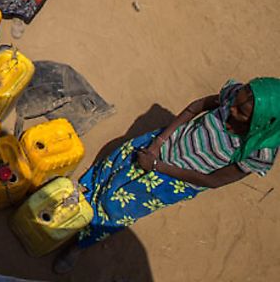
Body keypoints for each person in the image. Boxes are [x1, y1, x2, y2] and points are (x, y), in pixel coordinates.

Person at [54, 77, 280, 274]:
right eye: (236, 103)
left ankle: (78, 245)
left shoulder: (259, 151)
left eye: (242, 114)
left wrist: (158, 167)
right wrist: (159, 141)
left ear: (263, 123)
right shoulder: (234, 95)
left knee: (117, 207)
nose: (232, 110)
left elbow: (213, 181)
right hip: (160, 146)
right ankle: (82, 192)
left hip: (174, 180)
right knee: (114, 166)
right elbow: (196, 107)